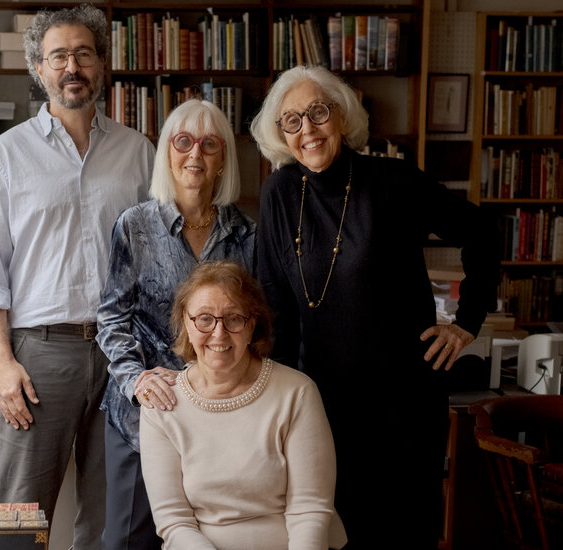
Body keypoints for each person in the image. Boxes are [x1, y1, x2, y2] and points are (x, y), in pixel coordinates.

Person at [250, 65, 499, 549]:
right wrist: (273, 408)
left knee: (403, 533)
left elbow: (483, 232)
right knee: (332, 534)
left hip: (403, 403)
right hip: (321, 407)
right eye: (292, 120)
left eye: (318, 113)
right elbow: (273, 305)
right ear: (280, 134)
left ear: (341, 116)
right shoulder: (279, 193)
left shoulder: (393, 181)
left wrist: (466, 322)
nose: (308, 130)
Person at [0, 4, 154, 547]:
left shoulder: (138, 153)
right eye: (58, 56)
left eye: (83, 54)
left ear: (101, 65)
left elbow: (154, 258)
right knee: (21, 514)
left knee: (109, 513)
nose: (72, 66)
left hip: (123, 354)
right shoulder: (6, 155)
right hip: (39, 357)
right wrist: (2, 365)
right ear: (39, 69)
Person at [96, 100, 256, 549]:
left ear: (223, 157)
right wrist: (136, 378)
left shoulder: (246, 236)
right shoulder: (135, 226)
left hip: (219, 417)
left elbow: (253, 329)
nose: (195, 155)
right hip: (143, 413)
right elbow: (112, 317)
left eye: (209, 144)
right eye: (183, 142)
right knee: (128, 541)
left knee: (207, 539)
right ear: (167, 151)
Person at [140, 261, 346, 550]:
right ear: (186, 322)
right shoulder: (161, 404)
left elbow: (309, 511)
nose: (219, 333)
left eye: (234, 318)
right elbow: (175, 522)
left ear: (252, 325)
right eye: (204, 319)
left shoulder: (297, 393)